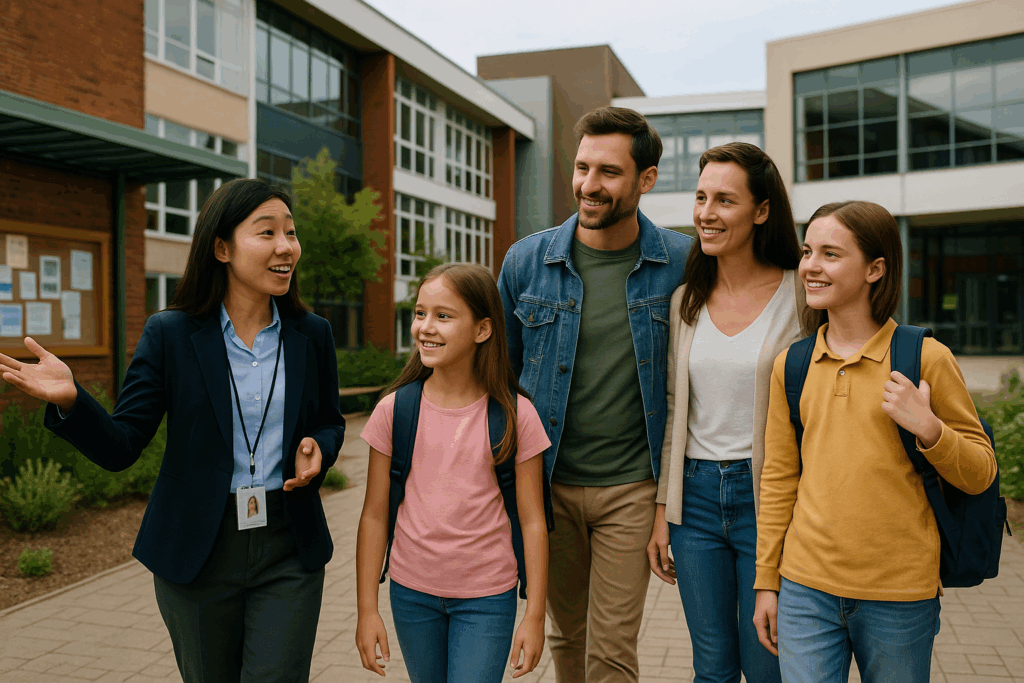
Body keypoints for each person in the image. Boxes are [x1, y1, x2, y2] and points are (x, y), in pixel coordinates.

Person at [0, 179, 346, 683]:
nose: (285, 247)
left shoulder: (312, 334)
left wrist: (323, 448)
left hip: (288, 545)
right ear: (222, 248)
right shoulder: (171, 334)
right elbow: (122, 445)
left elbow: (329, 420)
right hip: (197, 549)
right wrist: (74, 400)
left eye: (291, 233)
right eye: (267, 232)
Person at [752, 201, 997, 683]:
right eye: (807, 252)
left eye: (831, 254)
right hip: (805, 590)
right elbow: (779, 480)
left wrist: (930, 429)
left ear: (875, 268)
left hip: (899, 596)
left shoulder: (925, 357)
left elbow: (981, 471)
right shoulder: (793, 365)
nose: (811, 266)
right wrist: (767, 582)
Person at [498, 106, 694, 682]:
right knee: (567, 636)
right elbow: (500, 382)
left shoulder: (682, 263)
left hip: (631, 491)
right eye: (582, 167)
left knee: (610, 650)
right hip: (549, 486)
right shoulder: (526, 261)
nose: (589, 185)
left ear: (646, 180)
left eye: (609, 171)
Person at [646, 142, 808, 683]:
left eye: (724, 200)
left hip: (769, 497)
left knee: (767, 664)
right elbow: (674, 410)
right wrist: (661, 511)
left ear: (761, 210)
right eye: (700, 197)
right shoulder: (686, 298)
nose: (706, 214)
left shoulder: (802, 296)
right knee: (712, 667)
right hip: (693, 501)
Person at [354, 263, 550, 682]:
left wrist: (534, 614)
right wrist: (367, 609)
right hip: (411, 594)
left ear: (482, 330)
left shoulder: (517, 416)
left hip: (488, 597)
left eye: (443, 316)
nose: (426, 327)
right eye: (420, 313)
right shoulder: (394, 410)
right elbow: (373, 515)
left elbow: (533, 521)